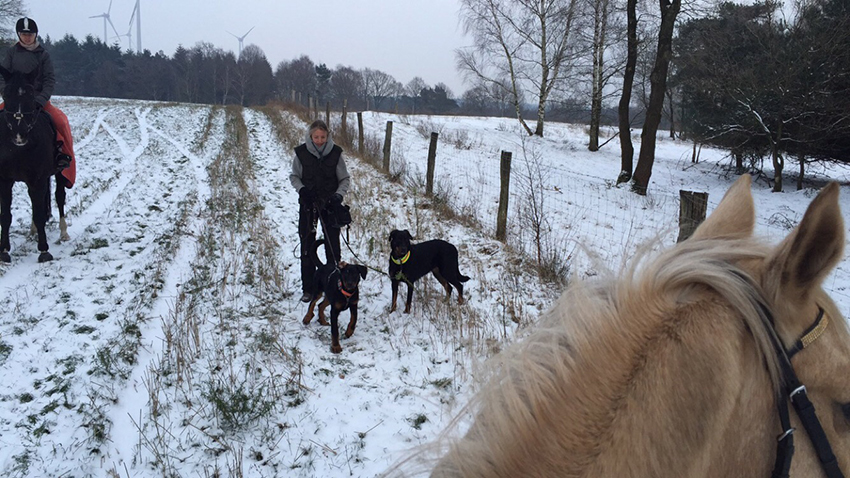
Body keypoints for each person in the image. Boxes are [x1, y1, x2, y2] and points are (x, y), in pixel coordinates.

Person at [0, 17, 76, 188]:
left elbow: (49, 79)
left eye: (30, 34)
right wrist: (8, 95)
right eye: (24, 34)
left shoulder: (43, 55)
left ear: (35, 35)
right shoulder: (12, 53)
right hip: (14, 101)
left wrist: (41, 100)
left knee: (61, 121)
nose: (27, 38)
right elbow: (3, 77)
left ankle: (63, 159)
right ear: (19, 35)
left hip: (37, 100)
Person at [290, 119, 351, 303]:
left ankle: (334, 284)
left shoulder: (336, 153)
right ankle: (308, 289)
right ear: (310, 136)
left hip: (331, 207)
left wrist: (338, 196)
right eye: (316, 137)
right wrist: (302, 190)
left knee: (333, 248)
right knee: (307, 247)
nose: (319, 140)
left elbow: (345, 179)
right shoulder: (301, 153)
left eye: (322, 137)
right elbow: (294, 176)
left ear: (328, 136)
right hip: (308, 207)